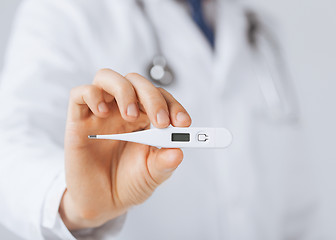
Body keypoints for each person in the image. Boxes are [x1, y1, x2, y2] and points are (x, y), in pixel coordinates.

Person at [0, 0, 316, 239]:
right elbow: (10, 149)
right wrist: (75, 203)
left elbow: (293, 196)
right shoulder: (67, 11)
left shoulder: (256, 28)